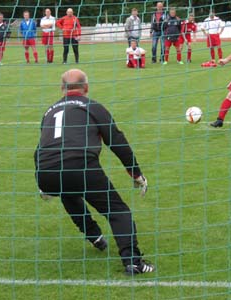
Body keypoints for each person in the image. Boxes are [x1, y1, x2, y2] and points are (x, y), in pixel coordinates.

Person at [34, 68, 154, 275]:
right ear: (86, 87)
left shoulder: (50, 110)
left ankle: (94, 236)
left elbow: (41, 146)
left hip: (46, 170)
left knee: (68, 192)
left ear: (62, 89)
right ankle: (133, 262)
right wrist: (136, 173)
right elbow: (116, 141)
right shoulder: (93, 107)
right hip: (80, 166)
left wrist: (42, 180)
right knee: (118, 211)